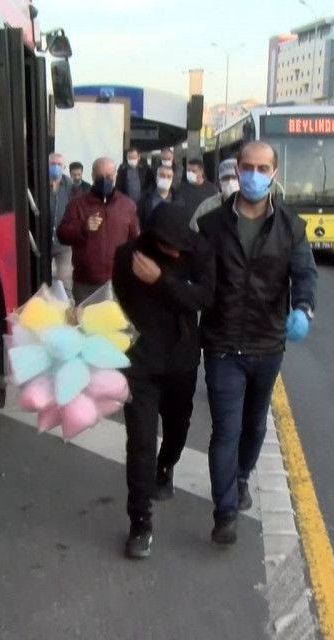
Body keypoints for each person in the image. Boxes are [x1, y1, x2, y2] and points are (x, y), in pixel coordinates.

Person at [195, 141, 317, 546]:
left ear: (274, 174)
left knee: (255, 425)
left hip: (268, 345)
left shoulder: (291, 227)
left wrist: (303, 308)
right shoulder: (213, 226)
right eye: (246, 167)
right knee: (225, 430)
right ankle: (224, 512)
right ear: (236, 170)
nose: (252, 175)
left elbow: (305, 275)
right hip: (222, 344)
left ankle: (242, 476)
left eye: (262, 168)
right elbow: (190, 274)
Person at [112, 202, 215, 559]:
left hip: (181, 361)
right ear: (153, 239)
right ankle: (139, 523)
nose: (176, 250)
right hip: (138, 363)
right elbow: (117, 303)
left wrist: (162, 281)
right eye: (169, 245)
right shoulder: (127, 256)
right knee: (139, 443)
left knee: (176, 429)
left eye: (180, 244)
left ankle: (167, 463)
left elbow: (203, 298)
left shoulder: (199, 251)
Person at [57, 157, 139, 303]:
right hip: (86, 283)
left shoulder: (127, 205)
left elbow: (135, 241)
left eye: (109, 176)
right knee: (86, 324)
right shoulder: (78, 204)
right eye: (101, 177)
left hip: (117, 282)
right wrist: (83, 227)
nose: (105, 180)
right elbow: (62, 234)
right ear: (93, 176)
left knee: (115, 325)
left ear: (115, 176)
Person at [189, 158, 241, 231]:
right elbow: (193, 232)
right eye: (225, 178)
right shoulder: (207, 206)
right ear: (219, 183)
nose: (230, 182)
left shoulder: (253, 205)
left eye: (234, 177)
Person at [48, 152, 73, 292]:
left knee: (65, 284)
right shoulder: (38, 183)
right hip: (42, 242)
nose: (56, 167)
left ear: (63, 167)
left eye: (59, 164)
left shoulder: (69, 184)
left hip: (64, 243)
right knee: (41, 286)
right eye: (53, 164)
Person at [137, 164, 176, 231]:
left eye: (169, 176)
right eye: (162, 175)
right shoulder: (145, 198)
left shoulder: (177, 198)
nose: (165, 179)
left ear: (172, 179)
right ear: (156, 177)